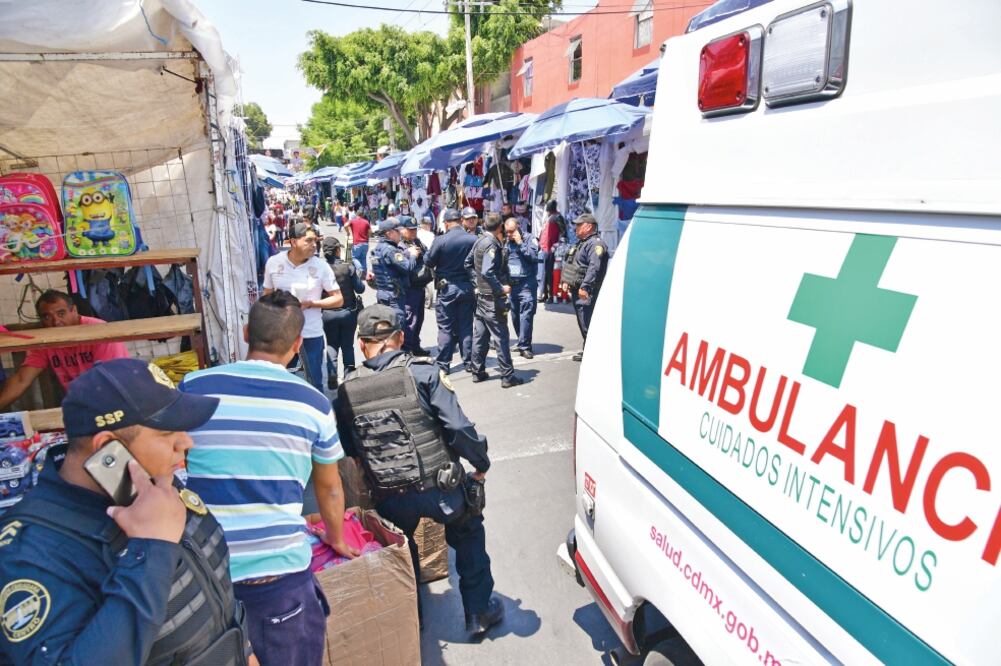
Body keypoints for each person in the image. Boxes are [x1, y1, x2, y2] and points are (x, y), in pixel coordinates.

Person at [0, 358, 257, 665]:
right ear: (109, 448)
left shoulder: (153, 484)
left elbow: (218, 608)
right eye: (166, 433)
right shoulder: (29, 553)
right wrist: (153, 549)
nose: (186, 442)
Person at [180, 291, 357, 666]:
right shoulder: (314, 404)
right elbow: (329, 485)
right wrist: (336, 537)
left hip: (201, 573)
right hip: (276, 578)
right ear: (296, 345)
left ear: (246, 333)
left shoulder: (193, 387)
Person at [335, 305, 504, 636]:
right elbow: (458, 428)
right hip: (441, 490)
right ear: (400, 337)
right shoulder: (423, 373)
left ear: (361, 344)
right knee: (468, 531)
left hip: (388, 496)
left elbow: (350, 450)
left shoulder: (346, 390)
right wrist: (480, 464)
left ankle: (414, 619)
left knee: (402, 551)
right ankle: (478, 613)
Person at [0, 290, 130, 409]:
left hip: (119, 400)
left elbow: (111, 380)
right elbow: (21, 379)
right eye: (47, 317)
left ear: (74, 310)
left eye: (61, 313)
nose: (56, 322)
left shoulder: (99, 331)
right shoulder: (46, 339)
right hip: (83, 406)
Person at [262, 223, 343, 391]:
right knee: (284, 384)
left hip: (311, 335)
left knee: (314, 384)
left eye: (316, 241)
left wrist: (312, 304)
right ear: (293, 242)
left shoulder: (321, 266)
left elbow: (338, 299)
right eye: (309, 241)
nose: (314, 245)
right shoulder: (274, 263)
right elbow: (266, 296)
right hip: (282, 335)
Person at [465, 213, 523, 389]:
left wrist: (478, 285)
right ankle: (507, 376)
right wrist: (500, 288)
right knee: (500, 337)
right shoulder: (490, 243)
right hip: (491, 298)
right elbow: (487, 271)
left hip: (483, 296)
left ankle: (477, 371)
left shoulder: (479, 240)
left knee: (481, 336)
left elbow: (468, 264)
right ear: (499, 227)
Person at [425, 208, 477, 374]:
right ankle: (469, 362)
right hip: (467, 287)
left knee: (445, 327)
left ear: (446, 223)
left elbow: (429, 261)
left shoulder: (441, 240)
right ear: (461, 220)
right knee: (466, 325)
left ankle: (443, 364)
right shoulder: (473, 239)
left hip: (447, 288)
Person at [560, 213, 609, 362]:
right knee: (583, 322)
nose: (575, 228)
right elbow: (574, 264)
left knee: (587, 322)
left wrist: (585, 287)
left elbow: (594, 268)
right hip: (578, 288)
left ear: (588, 226)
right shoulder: (582, 242)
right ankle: (588, 349)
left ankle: (593, 352)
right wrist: (566, 281)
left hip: (587, 291)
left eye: (579, 225)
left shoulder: (596, 244)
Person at [321, 236, 365, 391]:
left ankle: (332, 377)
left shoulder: (321, 269)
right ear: (337, 250)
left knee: (332, 344)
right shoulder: (348, 267)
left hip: (328, 314)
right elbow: (360, 289)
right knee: (347, 345)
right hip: (348, 312)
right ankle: (349, 376)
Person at [504, 217, 538, 359]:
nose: (509, 234)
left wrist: (520, 243)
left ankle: (525, 345)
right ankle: (521, 340)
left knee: (526, 315)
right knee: (515, 316)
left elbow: (533, 256)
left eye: (511, 231)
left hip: (526, 284)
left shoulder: (529, 239)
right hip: (512, 285)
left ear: (518, 227)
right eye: (507, 232)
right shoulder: (505, 241)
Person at [370, 217, 417, 321]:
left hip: (382, 293)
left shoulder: (377, 248)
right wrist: (413, 255)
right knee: (396, 329)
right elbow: (408, 267)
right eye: (397, 231)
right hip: (393, 297)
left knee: (385, 328)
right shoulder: (391, 250)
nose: (400, 234)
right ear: (388, 233)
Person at [399, 216, 433, 356]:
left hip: (420, 286)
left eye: (414, 230)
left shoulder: (416, 241)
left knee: (419, 319)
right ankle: (406, 350)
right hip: (409, 288)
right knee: (410, 320)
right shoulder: (399, 245)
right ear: (402, 230)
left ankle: (415, 345)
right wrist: (410, 254)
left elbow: (426, 256)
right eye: (410, 230)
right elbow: (404, 267)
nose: (413, 233)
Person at [537, 201, 564, 302]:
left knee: (550, 273)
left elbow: (564, 233)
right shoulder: (550, 217)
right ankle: (545, 294)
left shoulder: (557, 217)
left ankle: (551, 295)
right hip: (545, 248)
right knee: (544, 272)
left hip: (551, 249)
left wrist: (556, 246)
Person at [347, 204, 371, 272]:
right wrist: (367, 238)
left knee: (355, 258)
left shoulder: (353, 221)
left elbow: (345, 225)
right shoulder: (366, 222)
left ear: (356, 214)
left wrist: (348, 232)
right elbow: (370, 232)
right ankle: (365, 272)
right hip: (365, 243)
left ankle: (360, 269)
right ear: (363, 215)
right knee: (363, 258)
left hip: (357, 243)